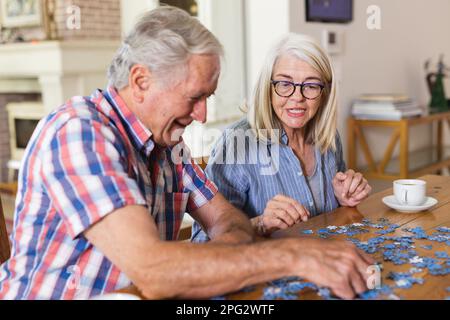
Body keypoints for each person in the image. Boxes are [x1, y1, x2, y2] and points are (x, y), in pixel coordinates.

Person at [0, 7, 374, 300]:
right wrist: (295, 257)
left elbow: (226, 220)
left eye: (207, 99)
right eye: (195, 97)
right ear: (141, 81)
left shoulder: (170, 148)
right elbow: (154, 271)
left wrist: (226, 256)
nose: (203, 116)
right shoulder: (78, 132)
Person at [192, 33, 372, 241]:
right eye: (285, 84)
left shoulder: (328, 137)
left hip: (325, 264)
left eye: (311, 86)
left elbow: (333, 227)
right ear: (268, 88)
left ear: (325, 93)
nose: (297, 98)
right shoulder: (237, 142)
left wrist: (344, 200)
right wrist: (260, 224)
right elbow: (203, 242)